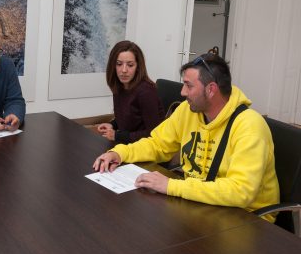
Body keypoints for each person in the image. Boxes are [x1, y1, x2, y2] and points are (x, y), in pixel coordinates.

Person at [93, 54, 279, 221]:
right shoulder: (188, 111)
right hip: (202, 203)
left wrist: (172, 186)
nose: (182, 92)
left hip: (246, 218)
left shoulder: (249, 126)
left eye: (189, 85)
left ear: (211, 89)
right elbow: (158, 144)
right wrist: (120, 153)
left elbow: (240, 192)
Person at [97, 40, 165, 143]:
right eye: (119, 64)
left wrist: (118, 136)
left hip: (148, 148)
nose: (124, 70)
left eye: (130, 65)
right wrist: (113, 125)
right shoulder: (119, 85)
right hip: (130, 144)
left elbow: (153, 133)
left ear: (138, 67)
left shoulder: (146, 91)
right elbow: (129, 118)